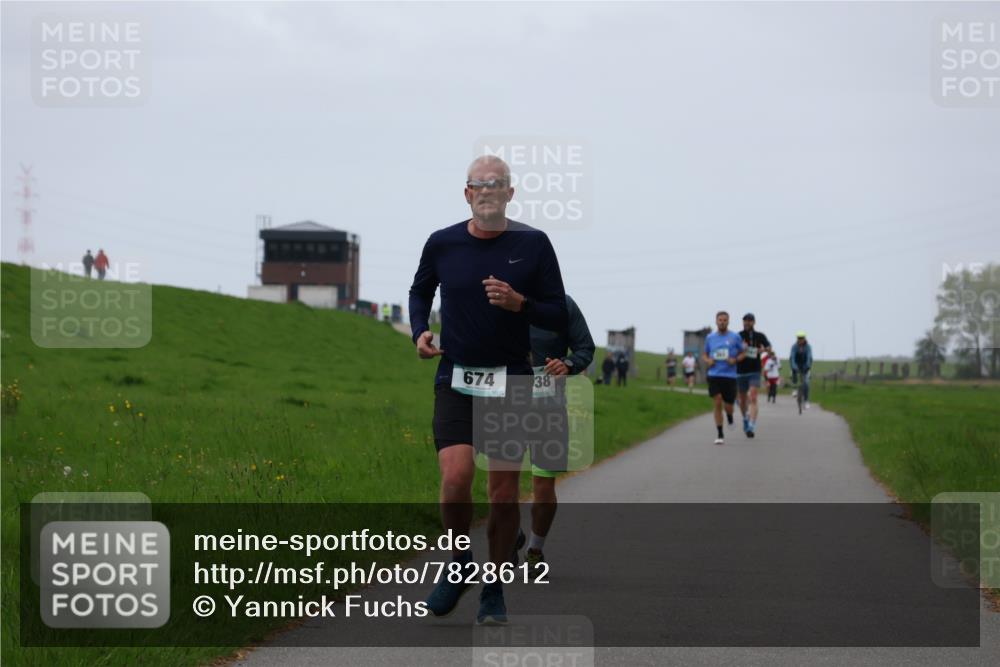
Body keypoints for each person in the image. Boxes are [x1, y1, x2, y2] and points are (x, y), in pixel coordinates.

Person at [409, 155, 568, 625]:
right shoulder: (443, 243)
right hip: (456, 376)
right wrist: (419, 330)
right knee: (455, 478)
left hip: (511, 380)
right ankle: (459, 563)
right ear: (466, 193)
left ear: (510, 194)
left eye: (496, 185)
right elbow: (420, 292)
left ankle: (493, 587)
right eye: (479, 185)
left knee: (502, 494)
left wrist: (521, 304)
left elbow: (557, 312)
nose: (487, 192)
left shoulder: (534, 245)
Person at [522, 294, 595, 579]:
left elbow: (585, 347)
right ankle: (509, 532)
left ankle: (534, 550)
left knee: (542, 488)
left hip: (548, 404)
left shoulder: (563, 305)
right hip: (502, 401)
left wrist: (568, 364)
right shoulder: (497, 298)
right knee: (500, 484)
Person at [702, 311, 745, 445]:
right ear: (716, 321)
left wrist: (735, 360)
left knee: (728, 406)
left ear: (728, 321)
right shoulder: (710, 337)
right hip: (714, 375)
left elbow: (743, 353)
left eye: (725, 320)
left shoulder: (735, 337)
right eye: (720, 320)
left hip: (730, 376)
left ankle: (730, 417)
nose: (722, 322)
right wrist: (708, 360)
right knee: (718, 401)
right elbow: (705, 354)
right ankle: (720, 433)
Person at [736, 313, 772, 438]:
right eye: (745, 321)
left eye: (749, 321)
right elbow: (731, 349)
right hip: (740, 371)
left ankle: (752, 424)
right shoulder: (738, 336)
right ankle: (745, 419)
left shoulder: (760, 336)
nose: (747, 323)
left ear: (754, 322)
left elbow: (769, 348)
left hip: (754, 371)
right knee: (742, 400)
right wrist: (741, 348)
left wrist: (764, 350)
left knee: (753, 397)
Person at [789, 331, 813, 409]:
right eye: (799, 338)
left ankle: (806, 401)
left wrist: (807, 366)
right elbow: (792, 357)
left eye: (801, 338)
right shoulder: (794, 346)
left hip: (805, 365)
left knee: (806, 383)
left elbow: (809, 357)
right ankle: (794, 389)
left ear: (804, 338)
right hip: (796, 364)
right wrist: (794, 367)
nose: (800, 340)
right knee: (794, 373)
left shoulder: (808, 347)